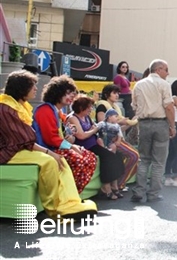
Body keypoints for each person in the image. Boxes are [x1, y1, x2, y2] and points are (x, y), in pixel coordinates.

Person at [0, 70, 97, 219]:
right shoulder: (6, 108)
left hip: (20, 148)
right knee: (51, 161)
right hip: (8, 151)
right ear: (21, 88)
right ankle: (54, 208)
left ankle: (71, 202)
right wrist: (52, 152)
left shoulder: (20, 106)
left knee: (62, 160)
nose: (35, 89)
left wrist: (68, 141)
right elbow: (26, 140)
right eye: (32, 86)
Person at [33, 75, 97, 194]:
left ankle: (73, 193)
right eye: (68, 93)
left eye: (72, 93)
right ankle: (69, 194)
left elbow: (64, 137)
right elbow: (51, 138)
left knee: (90, 157)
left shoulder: (59, 111)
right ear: (57, 93)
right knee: (80, 160)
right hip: (47, 149)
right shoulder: (45, 110)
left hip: (56, 147)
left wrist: (70, 139)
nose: (71, 96)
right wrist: (71, 146)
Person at [131, 59, 176, 202]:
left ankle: (139, 191)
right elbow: (169, 107)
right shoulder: (164, 85)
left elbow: (134, 106)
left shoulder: (139, 84)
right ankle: (153, 193)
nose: (168, 73)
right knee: (158, 161)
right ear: (158, 70)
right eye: (166, 70)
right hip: (160, 123)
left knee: (143, 159)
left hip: (143, 124)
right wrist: (172, 126)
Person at [67, 98, 125, 200]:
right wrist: (94, 130)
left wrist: (96, 133)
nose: (91, 109)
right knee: (108, 156)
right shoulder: (73, 118)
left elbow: (93, 130)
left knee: (117, 155)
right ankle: (106, 187)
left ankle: (114, 185)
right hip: (85, 146)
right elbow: (81, 136)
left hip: (95, 143)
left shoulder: (87, 117)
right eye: (89, 107)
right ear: (81, 107)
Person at [94, 84, 140, 191]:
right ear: (106, 94)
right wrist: (124, 121)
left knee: (134, 156)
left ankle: (118, 184)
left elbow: (119, 128)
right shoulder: (102, 106)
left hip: (118, 138)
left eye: (118, 93)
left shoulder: (116, 108)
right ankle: (118, 184)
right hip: (107, 140)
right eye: (114, 93)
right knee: (133, 156)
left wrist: (132, 122)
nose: (117, 95)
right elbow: (102, 123)